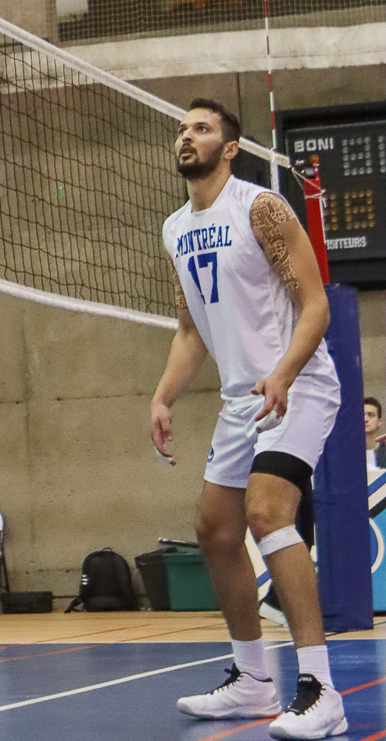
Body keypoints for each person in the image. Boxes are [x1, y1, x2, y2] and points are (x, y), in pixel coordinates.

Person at [150, 99, 345, 740]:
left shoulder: (261, 207)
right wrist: (164, 396)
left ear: (230, 148)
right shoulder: (175, 228)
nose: (187, 136)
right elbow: (189, 330)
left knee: (267, 513)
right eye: (182, 128)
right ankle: (254, 681)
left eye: (201, 128)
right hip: (240, 400)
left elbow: (315, 307)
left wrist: (284, 372)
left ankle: (321, 690)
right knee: (214, 530)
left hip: (299, 385)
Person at [365, 397, 385, 476]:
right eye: (361, 414)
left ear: (379, 422)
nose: (365, 419)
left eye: (370, 415)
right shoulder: (349, 453)